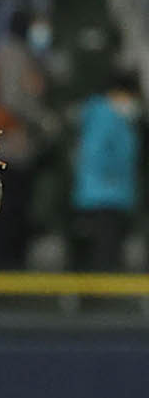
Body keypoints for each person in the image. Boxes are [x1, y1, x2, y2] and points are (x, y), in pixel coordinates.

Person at [72, 73, 142, 271]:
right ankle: (101, 300)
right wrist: (114, 174)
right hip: (103, 195)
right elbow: (95, 153)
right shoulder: (105, 117)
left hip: (110, 194)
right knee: (104, 254)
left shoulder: (114, 118)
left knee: (108, 251)